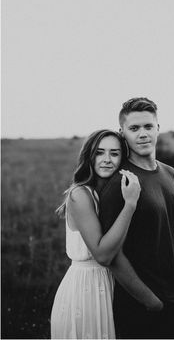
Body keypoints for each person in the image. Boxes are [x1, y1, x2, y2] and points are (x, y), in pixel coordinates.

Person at [98, 98, 174, 339]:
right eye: (134, 128)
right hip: (143, 304)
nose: (143, 134)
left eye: (148, 126)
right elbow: (112, 255)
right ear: (122, 133)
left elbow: (172, 232)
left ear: (158, 128)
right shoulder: (120, 182)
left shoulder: (170, 174)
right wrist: (151, 301)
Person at [51, 129, 143, 339]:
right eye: (100, 153)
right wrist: (130, 204)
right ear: (89, 157)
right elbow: (103, 255)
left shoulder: (108, 193)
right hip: (84, 292)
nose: (107, 160)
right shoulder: (80, 194)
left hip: (107, 287)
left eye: (114, 153)